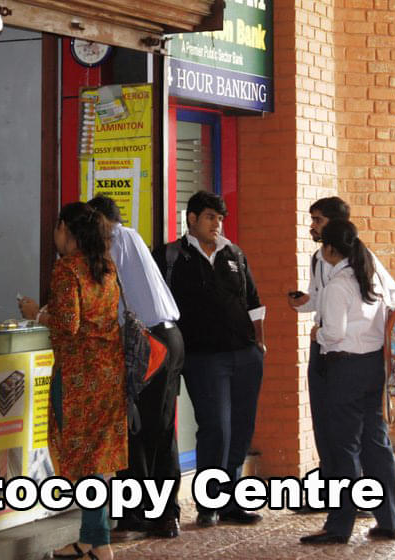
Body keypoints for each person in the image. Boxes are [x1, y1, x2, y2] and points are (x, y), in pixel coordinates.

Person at [18, 202, 127, 560]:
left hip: (79, 378)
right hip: (108, 373)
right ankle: (93, 541)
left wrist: (37, 314)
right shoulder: (106, 267)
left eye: (57, 228)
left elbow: (69, 324)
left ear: (66, 229)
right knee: (98, 460)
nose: (55, 235)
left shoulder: (67, 269)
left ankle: (98, 541)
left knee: (84, 460)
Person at [153, 190, 265, 528]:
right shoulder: (171, 257)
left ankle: (230, 502)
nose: (217, 224)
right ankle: (210, 501)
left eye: (220, 218)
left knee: (241, 428)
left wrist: (259, 344)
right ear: (192, 219)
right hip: (203, 358)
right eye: (210, 217)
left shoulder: (234, 254)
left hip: (245, 355)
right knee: (216, 427)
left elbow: (254, 303)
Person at [287, 197, 395, 515]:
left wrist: (348, 331)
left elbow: (391, 298)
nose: (312, 226)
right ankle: (331, 494)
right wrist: (304, 302)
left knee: (357, 433)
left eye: (318, 220)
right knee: (326, 424)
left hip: (347, 353)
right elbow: (320, 300)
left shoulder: (363, 259)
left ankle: (357, 501)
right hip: (326, 349)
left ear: (336, 225)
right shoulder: (318, 259)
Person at [87, 195, 185, 539]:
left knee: (141, 429)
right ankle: (155, 513)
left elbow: (105, 298)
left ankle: (148, 514)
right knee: (154, 428)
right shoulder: (132, 237)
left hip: (148, 343)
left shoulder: (117, 240)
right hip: (165, 338)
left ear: (101, 220)